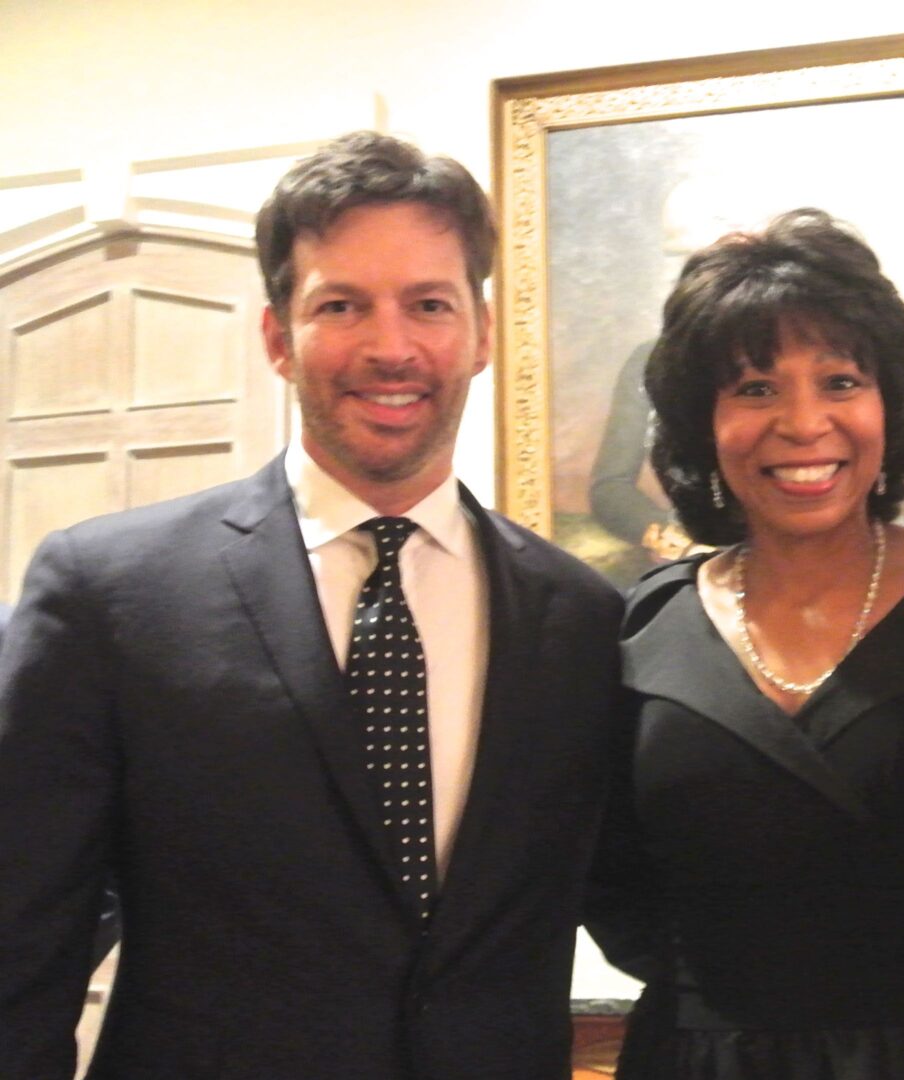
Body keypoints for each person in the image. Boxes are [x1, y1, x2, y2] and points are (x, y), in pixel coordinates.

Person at [0, 131, 623, 1080]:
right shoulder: (110, 596)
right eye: (341, 305)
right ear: (276, 338)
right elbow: (19, 940)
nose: (390, 347)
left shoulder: (580, 618)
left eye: (429, 304)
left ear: (483, 333)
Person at [584, 208, 904, 1079]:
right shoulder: (643, 626)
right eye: (754, 389)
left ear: (888, 403)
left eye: (839, 381)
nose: (801, 421)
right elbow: (604, 872)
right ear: (701, 421)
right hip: (698, 1058)